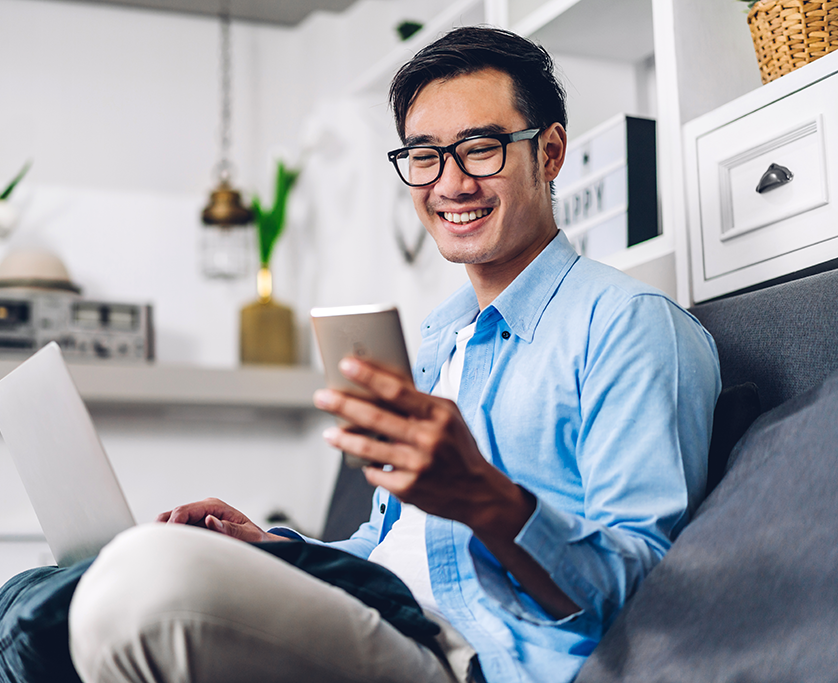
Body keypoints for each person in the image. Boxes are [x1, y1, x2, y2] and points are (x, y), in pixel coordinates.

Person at [66, 26, 720, 683]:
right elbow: (389, 547)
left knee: (139, 586)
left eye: (482, 149)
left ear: (550, 153)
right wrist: (275, 551)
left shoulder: (630, 325)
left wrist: (485, 495)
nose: (451, 183)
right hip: (385, 616)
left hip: (472, 659)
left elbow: (642, 591)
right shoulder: (442, 339)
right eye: (425, 156)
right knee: (75, 586)